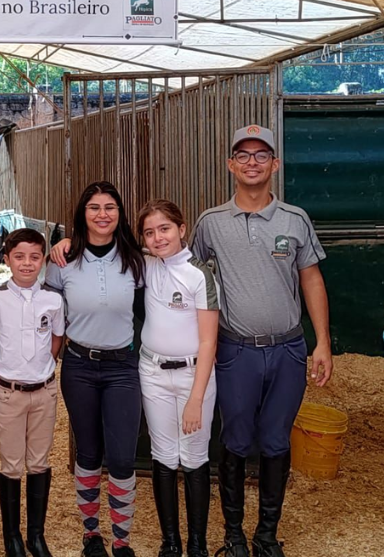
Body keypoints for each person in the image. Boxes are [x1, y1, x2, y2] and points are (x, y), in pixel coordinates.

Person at [191, 125, 333, 557]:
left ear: (275, 164)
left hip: (288, 349)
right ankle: (233, 536)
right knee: (234, 440)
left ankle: (266, 536)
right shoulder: (211, 223)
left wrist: (322, 342)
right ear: (231, 164)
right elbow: (186, 272)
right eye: (243, 154)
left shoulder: (295, 219)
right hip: (236, 351)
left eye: (261, 154)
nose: (252, 162)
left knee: (275, 441)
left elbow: (311, 278)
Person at [46, 181, 146, 557]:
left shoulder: (137, 260)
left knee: (121, 457)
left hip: (123, 368)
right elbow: (47, 316)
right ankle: (92, 535)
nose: (102, 214)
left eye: (110, 207)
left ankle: (122, 541)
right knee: (87, 453)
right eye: (94, 207)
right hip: (79, 366)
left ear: (119, 214)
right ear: (81, 214)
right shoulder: (63, 263)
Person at [136, 201, 219, 557]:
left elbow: (208, 339)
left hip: (193, 374)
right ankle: (170, 541)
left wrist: (196, 397)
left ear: (182, 228)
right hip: (153, 372)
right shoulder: (146, 265)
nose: (158, 238)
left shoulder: (199, 274)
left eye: (165, 229)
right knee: (164, 455)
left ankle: (197, 543)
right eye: (150, 232)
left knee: (195, 456)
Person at [0, 228, 64, 557]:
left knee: (39, 461)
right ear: (6, 260)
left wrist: (44, 364)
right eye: (19, 257)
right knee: (11, 463)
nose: (27, 264)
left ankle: (36, 534)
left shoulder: (54, 300)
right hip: (10, 393)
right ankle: (12, 537)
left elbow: (57, 338)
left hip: (44, 391)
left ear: (44, 260)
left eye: (35, 257)